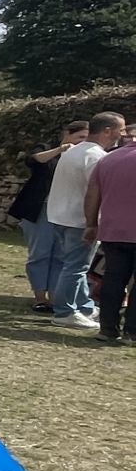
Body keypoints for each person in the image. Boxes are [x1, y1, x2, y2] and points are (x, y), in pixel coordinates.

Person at [46, 113, 127, 330]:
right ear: (107, 131)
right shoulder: (96, 156)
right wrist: (95, 222)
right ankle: (65, 312)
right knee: (76, 267)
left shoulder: (74, 151)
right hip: (79, 220)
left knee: (73, 265)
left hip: (59, 216)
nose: (124, 134)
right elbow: (97, 191)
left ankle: (85, 306)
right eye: (121, 129)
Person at [8, 122, 89, 313]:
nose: (83, 142)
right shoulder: (46, 148)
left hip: (65, 211)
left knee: (61, 255)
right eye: (80, 137)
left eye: (86, 138)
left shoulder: (84, 157)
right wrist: (61, 150)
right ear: (67, 134)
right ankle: (39, 297)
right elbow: (34, 160)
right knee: (40, 253)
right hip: (40, 210)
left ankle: (54, 298)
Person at [84, 130, 136, 346]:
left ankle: (107, 328)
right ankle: (132, 332)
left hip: (113, 229)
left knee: (113, 279)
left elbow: (92, 194)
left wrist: (91, 224)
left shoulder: (109, 158)